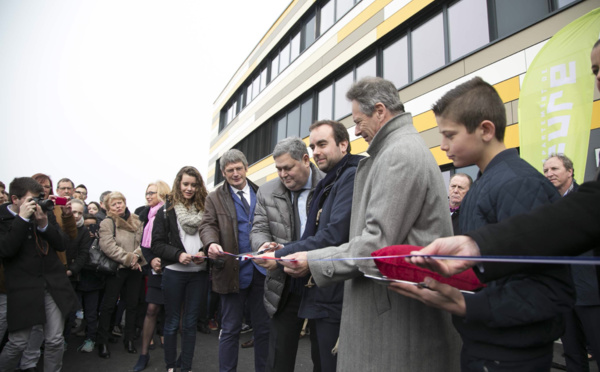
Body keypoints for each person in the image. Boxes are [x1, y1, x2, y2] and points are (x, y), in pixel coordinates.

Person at [388, 77, 574, 371]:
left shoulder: (519, 184)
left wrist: (468, 304)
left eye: (450, 135)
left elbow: (549, 289)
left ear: (486, 129)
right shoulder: (485, 183)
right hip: (486, 344)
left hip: (512, 354)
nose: (443, 145)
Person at [280, 77, 461, 371]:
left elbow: (377, 244)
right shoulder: (395, 150)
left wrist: (313, 261)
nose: (355, 130)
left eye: (358, 120)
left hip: (395, 318)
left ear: (379, 111)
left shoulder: (398, 155)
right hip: (393, 310)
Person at [256, 120, 363, 371]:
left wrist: (281, 253)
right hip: (294, 284)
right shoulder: (329, 181)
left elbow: (333, 235)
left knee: (327, 360)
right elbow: (263, 228)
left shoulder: (345, 178)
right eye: (314, 145)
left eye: (322, 144)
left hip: (329, 287)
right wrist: (268, 248)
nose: (317, 151)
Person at [250, 137, 324, 372]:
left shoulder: (330, 184)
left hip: (322, 280)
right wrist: (264, 248)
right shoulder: (267, 191)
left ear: (305, 160)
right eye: (278, 169)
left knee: (323, 356)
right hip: (283, 285)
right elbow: (259, 228)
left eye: (287, 168)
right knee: (279, 357)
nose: (282, 174)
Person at [200, 149, 270, 372]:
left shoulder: (263, 192)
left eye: (239, 168)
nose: (236, 173)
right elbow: (207, 225)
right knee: (229, 329)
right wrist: (211, 243)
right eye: (230, 170)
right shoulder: (214, 197)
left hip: (262, 271)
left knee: (264, 329)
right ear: (223, 173)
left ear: (246, 168)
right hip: (232, 272)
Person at [0, 177, 80, 372]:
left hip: (51, 283)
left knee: (54, 340)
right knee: (18, 342)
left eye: (39, 199)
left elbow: (62, 244)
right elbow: (6, 250)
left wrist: (44, 224)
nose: (36, 204)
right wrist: (22, 219)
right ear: (15, 199)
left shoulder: (43, 212)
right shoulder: (2, 218)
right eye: (31, 201)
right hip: (23, 287)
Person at [544, 154, 600, 370]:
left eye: (554, 169)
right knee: (573, 354)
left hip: (590, 293)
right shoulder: (546, 206)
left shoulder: (586, 200)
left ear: (570, 171)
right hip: (563, 296)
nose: (549, 174)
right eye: (546, 170)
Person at [151, 166, 208, 372]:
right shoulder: (166, 209)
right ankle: (170, 366)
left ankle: (186, 367)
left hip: (198, 275)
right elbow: (156, 244)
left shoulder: (206, 207)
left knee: (190, 324)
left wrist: (204, 252)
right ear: (178, 184)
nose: (189, 188)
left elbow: (212, 237)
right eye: (186, 184)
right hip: (174, 273)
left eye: (194, 185)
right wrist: (178, 255)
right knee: (172, 321)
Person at [96, 191, 147, 359]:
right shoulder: (107, 222)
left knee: (133, 304)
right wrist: (128, 258)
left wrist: (136, 257)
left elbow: (143, 242)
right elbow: (108, 246)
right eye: (114, 204)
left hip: (135, 268)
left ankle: (129, 339)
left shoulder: (137, 220)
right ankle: (102, 341)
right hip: (117, 269)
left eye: (120, 202)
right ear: (108, 207)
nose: (118, 206)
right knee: (109, 305)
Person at [133, 180, 170, 372]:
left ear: (162, 194)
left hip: (171, 266)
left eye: (152, 193)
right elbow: (144, 245)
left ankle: (172, 359)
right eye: (147, 193)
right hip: (155, 269)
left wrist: (164, 260)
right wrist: (152, 260)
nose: (148, 196)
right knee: (151, 309)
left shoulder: (170, 213)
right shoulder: (146, 215)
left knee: (173, 312)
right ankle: (144, 354)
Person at [75, 213, 106, 353]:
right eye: (86, 226)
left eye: (93, 226)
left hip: (94, 282)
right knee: (70, 314)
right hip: (76, 281)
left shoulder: (101, 242)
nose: (90, 230)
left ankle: (91, 339)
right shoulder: (76, 238)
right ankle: (63, 340)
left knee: (91, 314)